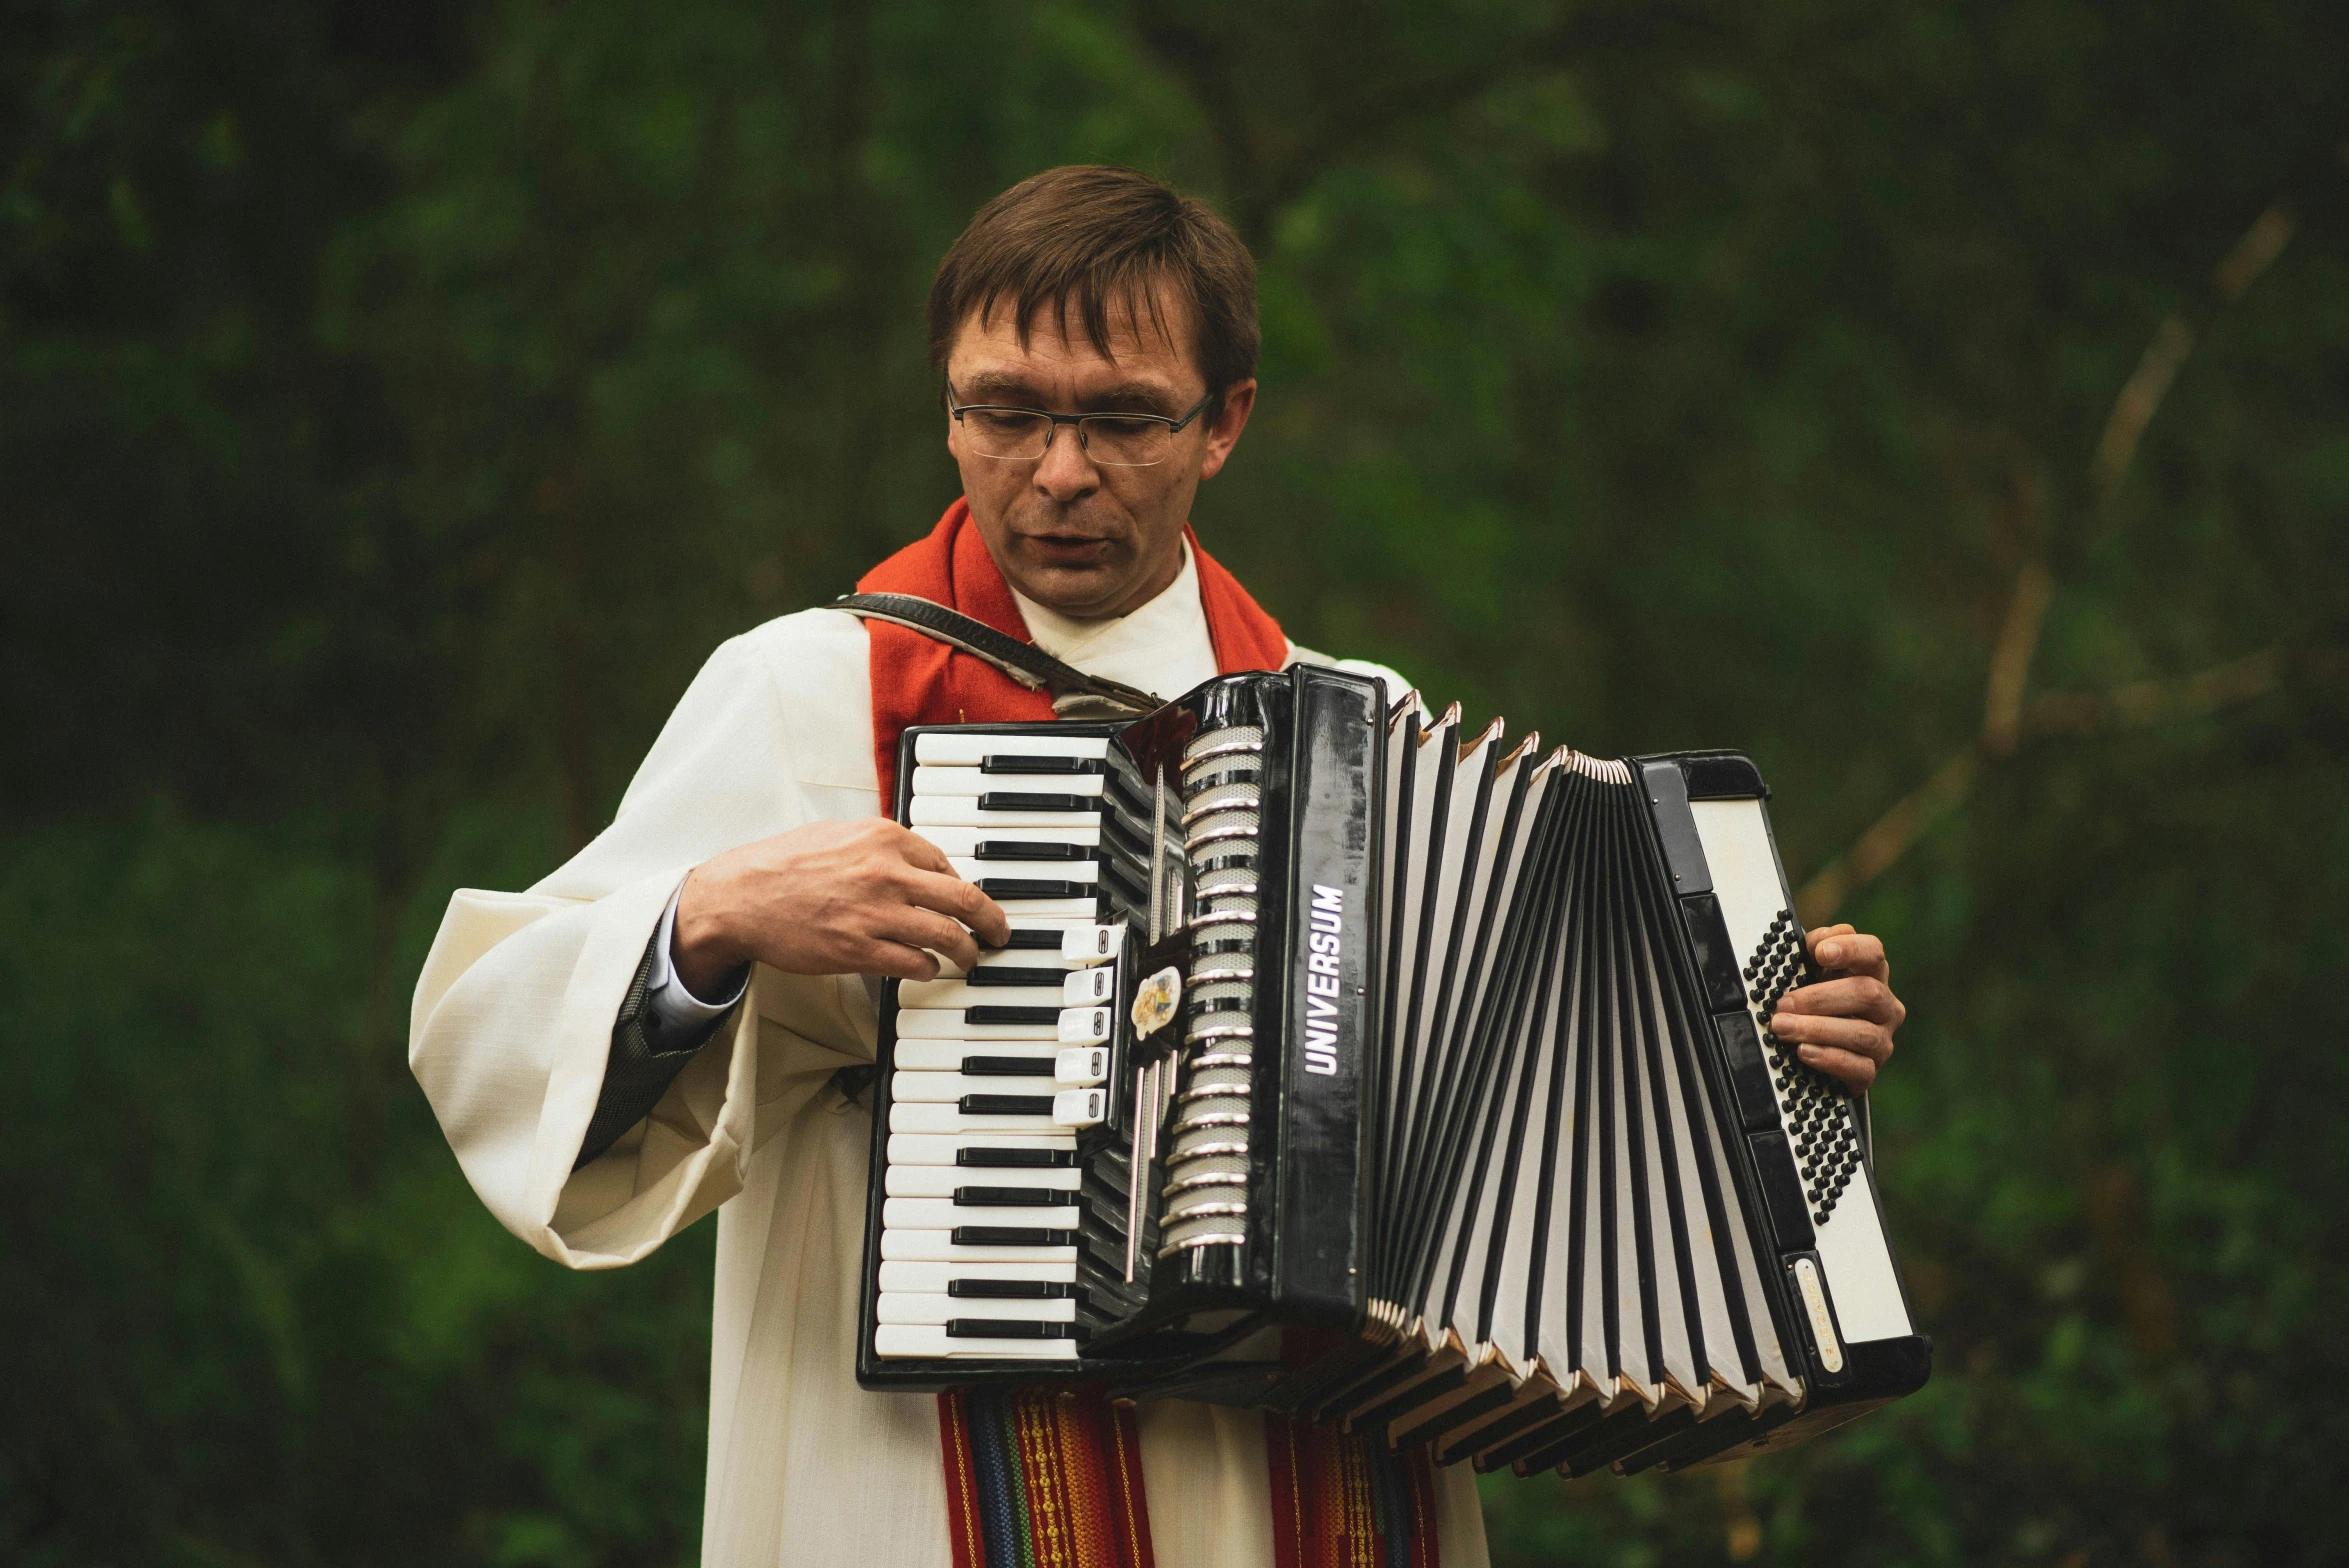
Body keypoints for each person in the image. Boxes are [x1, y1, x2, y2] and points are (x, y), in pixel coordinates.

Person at [409, 165, 1909, 1568]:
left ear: (1225, 421)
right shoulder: (807, 689)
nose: (1058, 473)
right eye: (1005, 413)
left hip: (1306, 1479)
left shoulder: (1361, 723)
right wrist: (709, 920)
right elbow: (495, 1037)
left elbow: (1527, 1103)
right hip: (922, 1483)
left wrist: (1763, 1053)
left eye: (1121, 420)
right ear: (946, 412)